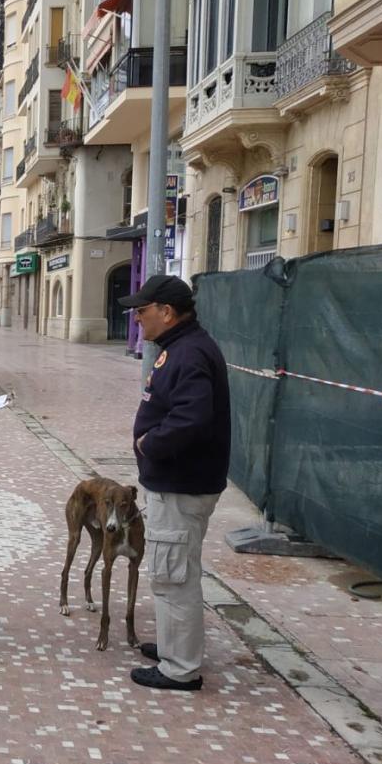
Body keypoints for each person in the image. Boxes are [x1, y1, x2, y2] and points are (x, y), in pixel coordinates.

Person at [119, 274, 231, 691]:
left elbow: (193, 418)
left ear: (166, 312)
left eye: (141, 312)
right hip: (180, 482)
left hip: (183, 485)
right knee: (175, 571)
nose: (136, 321)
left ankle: (179, 668)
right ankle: (173, 648)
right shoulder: (182, 347)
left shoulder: (189, 353)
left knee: (173, 577)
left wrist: (151, 443)